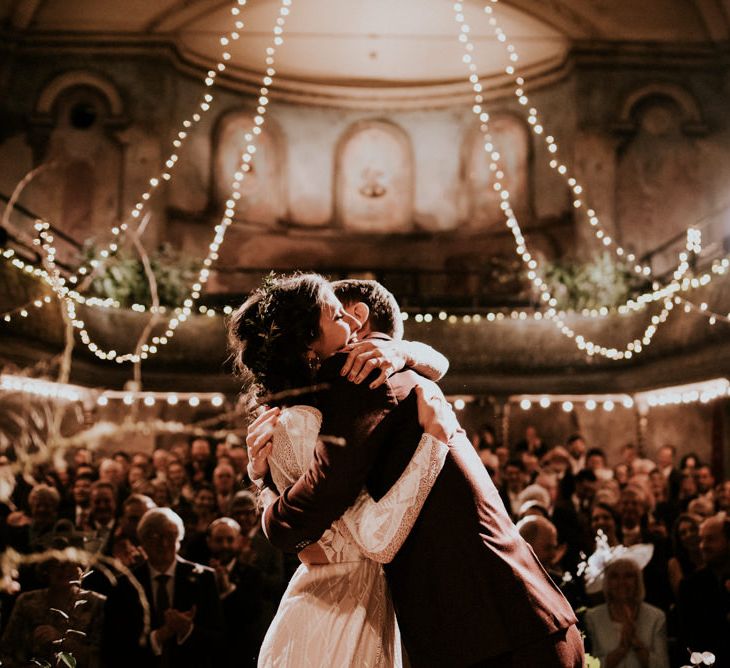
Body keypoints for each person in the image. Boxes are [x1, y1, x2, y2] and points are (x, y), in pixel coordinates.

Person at [235, 274, 582, 667]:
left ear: (363, 318)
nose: (349, 325)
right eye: (337, 316)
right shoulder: (373, 382)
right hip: (503, 617)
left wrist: (263, 495)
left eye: (348, 315)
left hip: (486, 632)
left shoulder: (359, 378)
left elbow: (298, 520)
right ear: (307, 339)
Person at [101, 507, 224, 668]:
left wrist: (187, 629)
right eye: (155, 536)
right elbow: (114, 647)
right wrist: (158, 636)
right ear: (142, 541)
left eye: (170, 536)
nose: (164, 543)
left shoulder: (204, 578)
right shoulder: (124, 585)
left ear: (179, 539)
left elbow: (219, 639)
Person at [0, 546, 106, 667]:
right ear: (46, 569)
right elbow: (7, 652)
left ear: (80, 568)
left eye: (70, 563)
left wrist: (62, 641)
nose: (64, 569)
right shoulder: (27, 601)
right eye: (55, 564)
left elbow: (101, 659)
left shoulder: (97, 603)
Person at [584, 558, 669, 668]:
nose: (621, 582)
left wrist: (636, 643)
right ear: (607, 581)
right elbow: (589, 665)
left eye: (628, 576)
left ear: (638, 580)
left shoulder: (656, 617)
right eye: (615, 576)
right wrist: (622, 649)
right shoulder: (592, 617)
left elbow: (663, 665)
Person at [677, 513, 730, 662]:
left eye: (711, 539)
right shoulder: (690, 586)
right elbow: (688, 641)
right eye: (702, 540)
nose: (703, 546)